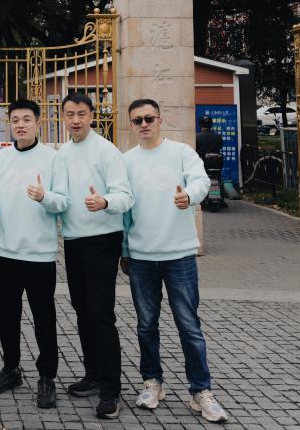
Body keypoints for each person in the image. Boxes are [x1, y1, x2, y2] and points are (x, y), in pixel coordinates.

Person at [122, 99, 229, 424]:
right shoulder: (126, 160)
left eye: (149, 118)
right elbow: (124, 210)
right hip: (141, 256)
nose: (144, 124)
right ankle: (152, 382)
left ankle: (201, 391)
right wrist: (124, 250)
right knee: (146, 325)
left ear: (160, 119)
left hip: (179, 254)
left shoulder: (181, 152)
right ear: (132, 124)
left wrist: (190, 196)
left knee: (189, 325)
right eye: (137, 120)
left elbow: (200, 181)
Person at [0, 99, 67, 409]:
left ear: (38, 123)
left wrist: (45, 197)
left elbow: (64, 202)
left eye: (27, 119)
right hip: (5, 252)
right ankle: (11, 368)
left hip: (39, 253)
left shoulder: (52, 158)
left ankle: (47, 376)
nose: (20, 124)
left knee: (44, 317)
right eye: (15, 119)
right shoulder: (2, 158)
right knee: (7, 315)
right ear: (10, 124)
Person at [54, 92, 134, 418]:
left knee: (101, 314)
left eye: (82, 114)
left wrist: (105, 202)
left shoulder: (107, 151)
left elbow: (125, 196)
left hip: (103, 240)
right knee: (82, 310)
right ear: (62, 117)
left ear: (91, 116)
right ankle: (93, 374)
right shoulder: (62, 153)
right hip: (74, 240)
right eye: (70, 114)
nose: (76, 120)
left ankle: (111, 391)